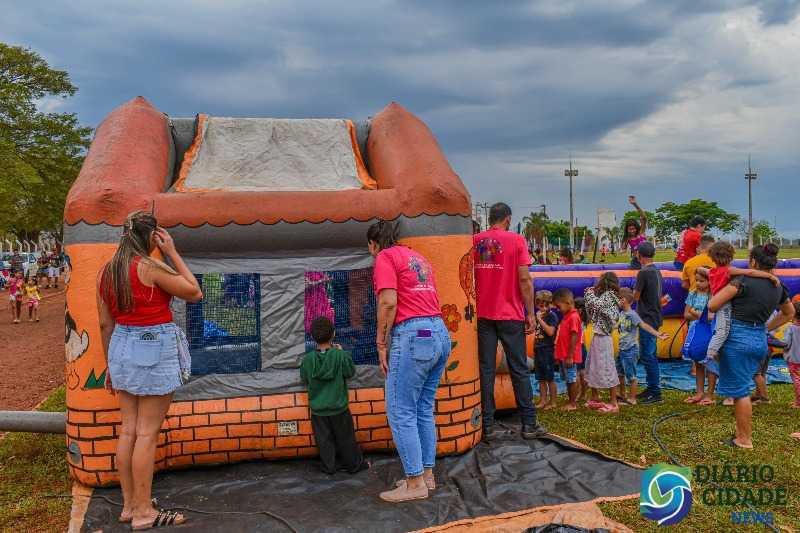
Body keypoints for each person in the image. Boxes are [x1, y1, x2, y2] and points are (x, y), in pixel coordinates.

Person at [97, 211, 202, 529]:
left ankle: (130, 505)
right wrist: (171, 252)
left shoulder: (106, 271)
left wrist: (111, 365)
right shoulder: (151, 266)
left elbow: (105, 323)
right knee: (146, 432)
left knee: (128, 430)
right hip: (153, 348)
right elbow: (194, 292)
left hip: (121, 347)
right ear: (151, 238)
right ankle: (144, 513)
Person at [368, 221, 450, 503]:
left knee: (400, 410)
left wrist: (381, 343)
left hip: (414, 335)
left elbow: (388, 302)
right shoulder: (417, 257)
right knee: (423, 408)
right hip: (439, 332)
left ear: (373, 244)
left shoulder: (384, 257)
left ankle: (415, 483)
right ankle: (426, 475)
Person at [473, 203, 546, 440]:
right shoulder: (516, 240)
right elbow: (525, 279)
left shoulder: (475, 241)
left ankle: (487, 426)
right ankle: (529, 423)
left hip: (483, 314)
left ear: (490, 218)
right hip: (510, 314)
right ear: (507, 219)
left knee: (486, 370)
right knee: (519, 368)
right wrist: (530, 313)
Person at [708, 244, 793, 448]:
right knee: (743, 384)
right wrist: (766, 327)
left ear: (753, 261)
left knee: (740, 392)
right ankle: (741, 433)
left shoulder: (741, 281)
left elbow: (713, 305)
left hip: (737, 339)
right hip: (758, 339)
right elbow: (789, 313)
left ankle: (744, 439)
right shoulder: (778, 286)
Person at [300, 316, 366, 475]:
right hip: (339, 408)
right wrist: (342, 354)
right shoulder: (340, 355)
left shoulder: (307, 360)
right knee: (346, 438)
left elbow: (304, 378)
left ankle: (328, 466)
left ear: (312, 337)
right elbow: (350, 372)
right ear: (333, 334)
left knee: (324, 441)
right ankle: (353, 466)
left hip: (318, 410)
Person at [702, 242, 779, 368]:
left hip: (718, 300)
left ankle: (713, 352)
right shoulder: (729, 270)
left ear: (712, 258)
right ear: (731, 257)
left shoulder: (712, 271)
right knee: (723, 330)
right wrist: (770, 276)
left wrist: (698, 269)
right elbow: (750, 273)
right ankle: (710, 354)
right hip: (724, 304)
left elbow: (703, 270)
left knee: (721, 327)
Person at [617, 288, 668, 405]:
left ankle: (632, 399)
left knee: (631, 376)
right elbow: (617, 325)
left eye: (617, 299)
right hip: (622, 349)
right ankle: (623, 394)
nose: (616, 302)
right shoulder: (622, 314)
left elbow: (644, 325)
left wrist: (657, 334)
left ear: (623, 300)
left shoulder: (632, 315)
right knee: (620, 373)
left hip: (630, 350)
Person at [583, 273, 622, 414]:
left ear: (604, 282)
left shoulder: (609, 295)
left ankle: (614, 403)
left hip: (604, 337)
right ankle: (595, 397)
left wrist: (589, 294)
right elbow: (592, 311)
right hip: (599, 335)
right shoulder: (607, 296)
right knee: (592, 366)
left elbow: (597, 305)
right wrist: (589, 297)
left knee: (607, 368)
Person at [634, 242, 665, 403]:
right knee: (650, 354)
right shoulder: (657, 271)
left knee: (647, 355)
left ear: (639, 255)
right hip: (655, 316)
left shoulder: (643, 273)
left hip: (646, 318)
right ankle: (651, 387)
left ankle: (655, 391)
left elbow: (636, 296)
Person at [681, 270, 718, 405]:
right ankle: (699, 392)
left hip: (709, 332)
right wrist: (699, 315)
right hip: (695, 331)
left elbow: (712, 317)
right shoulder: (693, 294)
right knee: (698, 361)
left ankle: (710, 393)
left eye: (701, 281)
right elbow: (686, 314)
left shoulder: (713, 296)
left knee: (710, 362)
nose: (698, 283)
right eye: (696, 280)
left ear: (709, 281)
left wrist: (696, 313)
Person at [553, 288, 582, 411]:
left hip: (569, 356)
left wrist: (570, 356)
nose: (558, 309)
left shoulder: (573, 317)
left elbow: (574, 337)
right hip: (564, 355)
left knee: (571, 379)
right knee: (568, 379)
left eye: (559, 306)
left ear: (568, 302)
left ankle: (572, 403)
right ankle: (570, 400)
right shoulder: (566, 316)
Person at [533, 290, 559, 410]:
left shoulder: (551, 316)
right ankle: (543, 400)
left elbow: (550, 332)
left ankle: (553, 402)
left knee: (550, 378)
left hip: (547, 350)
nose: (542, 308)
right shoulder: (540, 316)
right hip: (538, 349)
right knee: (540, 378)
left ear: (550, 304)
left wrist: (539, 319)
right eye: (540, 306)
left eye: (545, 305)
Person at [781, 302, 800, 408]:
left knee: (797, 380)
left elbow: (786, 343)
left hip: (794, 360)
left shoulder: (791, 328)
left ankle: (798, 402)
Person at [621, 196, 647, 269]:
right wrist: (623, 250)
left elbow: (644, 218)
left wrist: (635, 204)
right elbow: (623, 249)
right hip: (636, 262)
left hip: (646, 260)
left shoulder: (641, 232)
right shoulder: (627, 238)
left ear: (636, 228)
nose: (632, 231)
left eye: (633, 229)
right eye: (630, 229)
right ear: (627, 230)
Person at [573, 297, 589, 403]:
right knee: (583, 372)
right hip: (582, 347)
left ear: (579, 310)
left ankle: (577, 394)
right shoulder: (585, 320)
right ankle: (583, 394)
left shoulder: (576, 320)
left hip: (577, 347)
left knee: (577, 373)